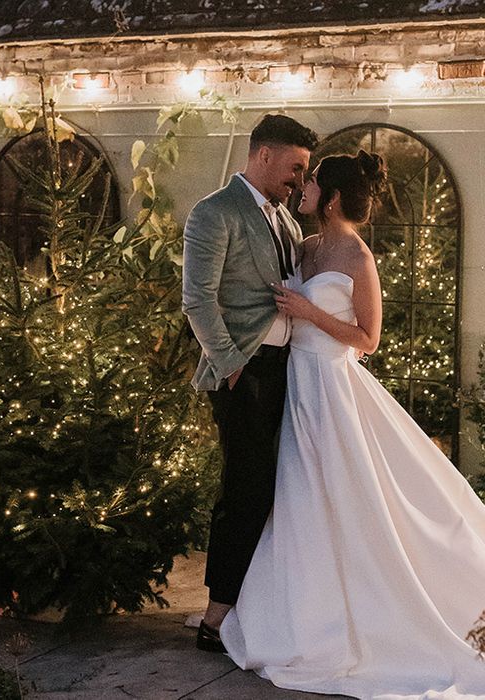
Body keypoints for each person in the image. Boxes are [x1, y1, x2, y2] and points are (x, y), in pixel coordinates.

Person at [219, 150, 485, 698]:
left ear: (332, 195)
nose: (303, 188)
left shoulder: (358, 256)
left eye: (311, 181)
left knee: (349, 494)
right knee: (302, 497)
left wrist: (311, 312)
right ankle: (305, 607)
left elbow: (368, 340)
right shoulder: (306, 245)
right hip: (298, 385)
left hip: (334, 388)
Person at [182, 114, 319, 652]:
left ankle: (254, 606)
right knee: (245, 490)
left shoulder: (284, 219)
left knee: (277, 487)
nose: (299, 180)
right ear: (263, 155)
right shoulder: (214, 213)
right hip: (244, 371)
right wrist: (231, 361)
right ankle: (217, 618)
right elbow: (198, 298)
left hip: (288, 370)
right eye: (295, 166)